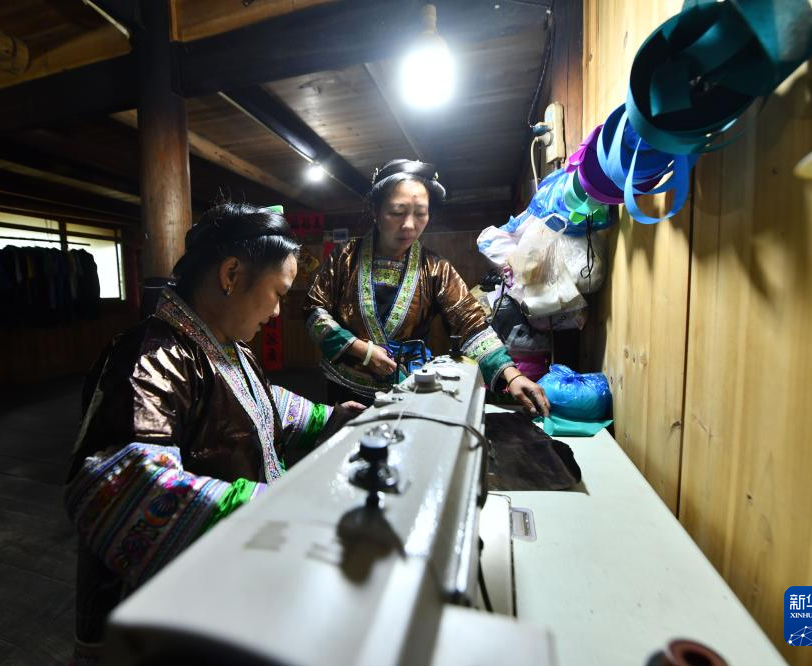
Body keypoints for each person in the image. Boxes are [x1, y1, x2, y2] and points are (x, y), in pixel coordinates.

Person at [64, 203, 364, 664]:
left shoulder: (223, 343)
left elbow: (258, 405)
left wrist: (329, 418)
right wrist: (281, 506)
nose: (277, 312)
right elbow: (126, 486)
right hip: (165, 602)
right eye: (277, 293)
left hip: (223, 569)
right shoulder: (151, 356)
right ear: (231, 274)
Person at [304, 159, 550, 415]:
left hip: (407, 389)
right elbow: (314, 310)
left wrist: (511, 375)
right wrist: (361, 350)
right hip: (345, 387)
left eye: (421, 213)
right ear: (375, 210)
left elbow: (470, 325)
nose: (409, 225)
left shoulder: (436, 269)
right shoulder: (345, 257)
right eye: (397, 212)